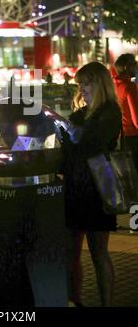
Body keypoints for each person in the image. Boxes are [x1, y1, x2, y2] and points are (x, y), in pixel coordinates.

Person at [61, 61, 122, 307]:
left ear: (99, 84)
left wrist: (73, 134)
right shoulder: (80, 113)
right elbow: (67, 148)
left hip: (98, 188)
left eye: (86, 84)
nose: (82, 89)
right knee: (71, 252)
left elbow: (94, 145)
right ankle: (74, 299)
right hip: (76, 187)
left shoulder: (109, 112)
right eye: (80, 85)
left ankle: (106, 302)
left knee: (99, 252)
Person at [113, 53, 138, 170]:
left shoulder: (115, 86)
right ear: (126, 67)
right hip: (133, 137)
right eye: (134, 64)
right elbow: (136, 119)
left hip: (120, 136)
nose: (136, 67)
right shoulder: (130, 87)